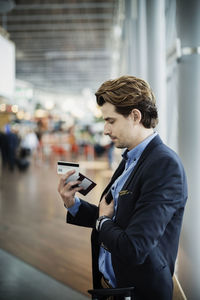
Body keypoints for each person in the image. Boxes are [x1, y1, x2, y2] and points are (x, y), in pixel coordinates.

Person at [57, 75, 188, 300]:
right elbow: (116, 217)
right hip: (111, 286)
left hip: (138, 292)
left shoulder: (164, 165)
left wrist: (103, 221)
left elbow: (134, 247)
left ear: (135, 116)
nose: (106, 130)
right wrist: (73, 204)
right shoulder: (131, 158)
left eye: (111, 120)